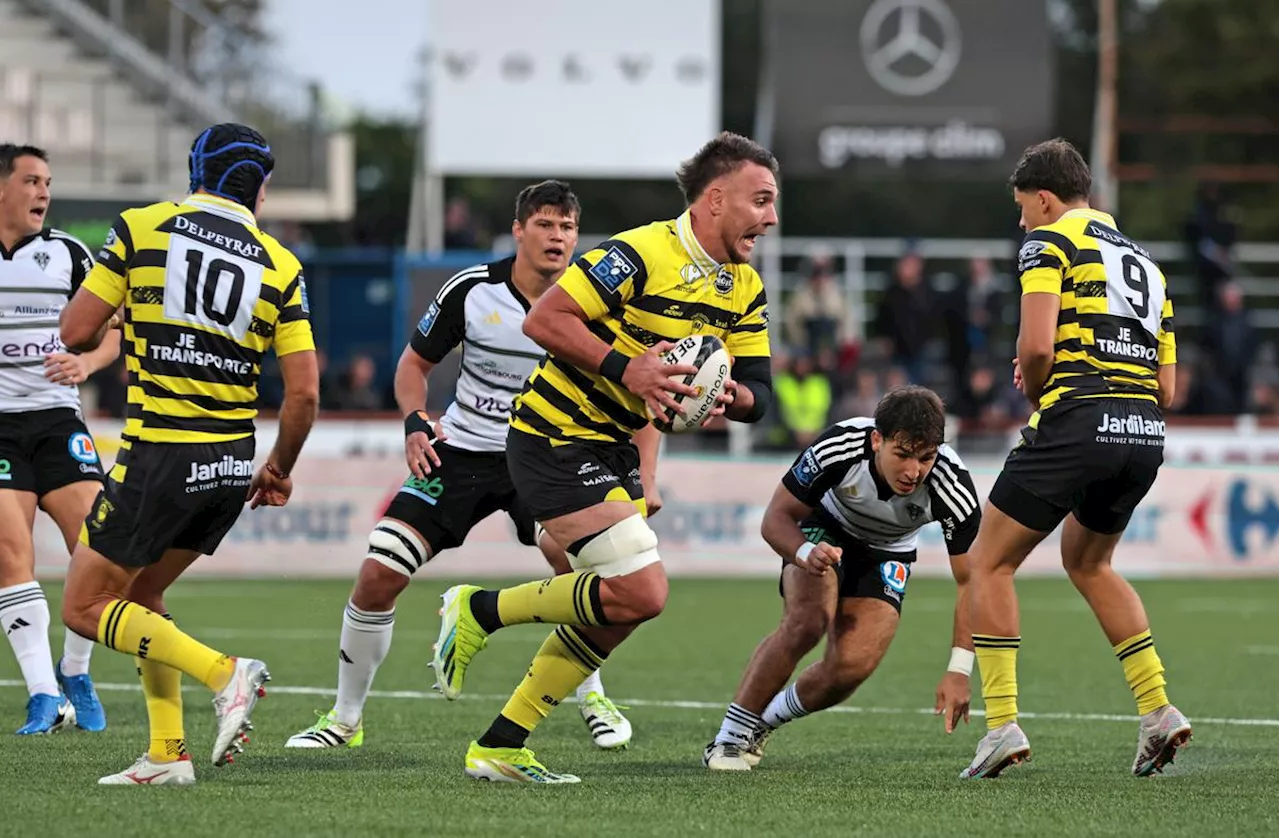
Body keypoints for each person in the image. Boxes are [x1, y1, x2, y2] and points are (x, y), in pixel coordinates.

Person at [429, 131, 778, 783]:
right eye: (760, 200)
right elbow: (548, 321)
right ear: (715, 199)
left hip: (612, 446)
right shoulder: (641, 253)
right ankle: (477, 611)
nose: (771, 216)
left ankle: (502, 744)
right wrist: (630, 370)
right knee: (643, 590)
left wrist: (733, 397)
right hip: (551, 435)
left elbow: (763, 392)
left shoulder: (744, 288)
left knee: (622, 607)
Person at [285, 180, 651, 752]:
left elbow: (638, 398)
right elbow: (413, 365)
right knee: (379, 573)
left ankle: (591, 695)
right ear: (519, 231)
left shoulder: (601, 308)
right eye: (546, 225)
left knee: (587, 570)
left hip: (548, 454)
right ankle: (344, 719)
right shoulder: (472, 290)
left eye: (568, 228)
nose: (558, 238)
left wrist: (642, 478)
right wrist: (414, 421)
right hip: (460, 450)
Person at [57, 123, 320, 785]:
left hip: (161, 455)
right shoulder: (281, 263)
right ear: (259, 190)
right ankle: (166, 754)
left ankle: (224, 673)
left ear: (193, 171)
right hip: (231, 464)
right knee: (143, 594)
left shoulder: (142, 228)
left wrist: (126, 307)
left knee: (84, 607)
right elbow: (306, 393)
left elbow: (76, 330)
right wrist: (280, 467)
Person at [961, 138, 1189, 780]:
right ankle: (1157, 711)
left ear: (1043, 198)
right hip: (1142, 430)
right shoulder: (1149, 263)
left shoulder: (1051, 241)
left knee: (989, 562)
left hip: (1079, 417)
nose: (1021, 223)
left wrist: (1038, 387)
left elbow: (1036, 347)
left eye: (1021, 209)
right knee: (1090, 562)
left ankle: (1001, 724)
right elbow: (1169, 388)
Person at [704, 386, 980, 770]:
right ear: (876, 440)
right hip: (823, 527)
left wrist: (959, 669)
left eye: (926, 458)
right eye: (902, 455)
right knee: (807, 621)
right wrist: (804, 551)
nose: (913, 471)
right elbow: (776, 518)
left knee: (851, 667)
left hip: (889, 550)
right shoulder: (840, 446)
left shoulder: (953, 486)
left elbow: (974, 582)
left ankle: (762, 723)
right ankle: (729, 740)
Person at [0, 144, 116, 735]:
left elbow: (115, 334)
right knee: (8, 551)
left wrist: (88, 364)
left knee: (96, 550)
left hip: (57, 421)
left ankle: (75, 671)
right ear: (2, 188)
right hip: (0, 427)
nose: (43, 191)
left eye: (47, 181)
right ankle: (43, 694)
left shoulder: (68, 253)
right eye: (31, 180)